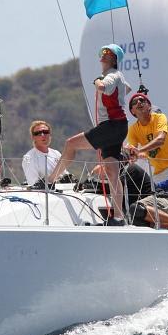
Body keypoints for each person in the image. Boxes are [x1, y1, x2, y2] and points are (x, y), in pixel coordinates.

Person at [48, 44, 131, 226]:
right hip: (119, 127)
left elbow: (102, 87)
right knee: (112, 172)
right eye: (102, 52)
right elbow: (128, 88)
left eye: (107, 53)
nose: (103, 55)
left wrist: (96, 81)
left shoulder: (110, 76)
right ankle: (118, 217)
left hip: (110, 125)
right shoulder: (118, 76)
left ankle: (49, 181)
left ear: (114, 58)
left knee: (70, 144)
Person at [123, 92, 168, 184]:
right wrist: (130, 153)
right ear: (132, 111)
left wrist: (139, 150)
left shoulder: (160, 117)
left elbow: (160, 140)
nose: (138, 102)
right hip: (160, 172)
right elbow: (133, 153)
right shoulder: (133, 130)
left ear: (149, 106)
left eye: (142, 100)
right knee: (154, 195)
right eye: (134, 102)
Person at [22, 120, 67, 186]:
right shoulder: (28, 157)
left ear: (50, 134)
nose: (43, 135)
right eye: (38, 133)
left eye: (45, 132)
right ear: (33, 137)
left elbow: (65, 175)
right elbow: (33, 183)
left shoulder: (56, 153)